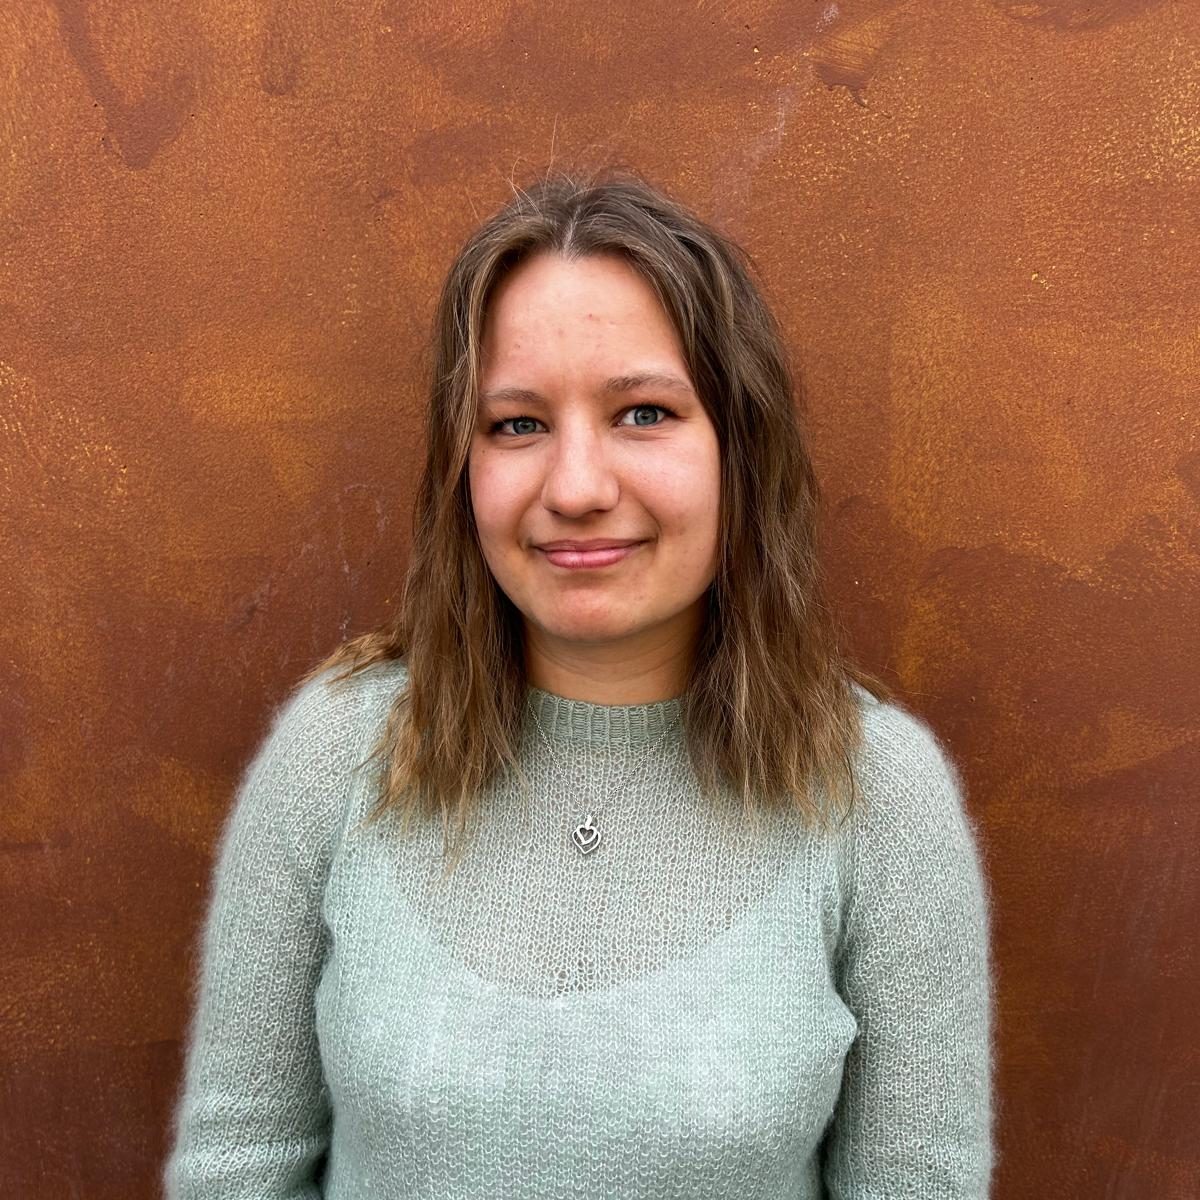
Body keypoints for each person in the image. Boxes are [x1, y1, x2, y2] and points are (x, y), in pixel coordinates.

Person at [164, 165, 995, 1199]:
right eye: (517, 424)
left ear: (740, 447)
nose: (577, 487)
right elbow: (234, 1171)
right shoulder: (339, 755)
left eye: (643, 413)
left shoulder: (876, 795)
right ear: (461, 468)